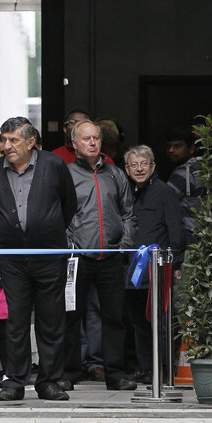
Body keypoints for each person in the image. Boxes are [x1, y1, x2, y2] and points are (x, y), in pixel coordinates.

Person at [0, 116, 76, 401]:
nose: (6, 145)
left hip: (49, 254)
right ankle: (15, 381)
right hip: (12, 256)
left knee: (51, 319)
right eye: (4, 139)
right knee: (16, 320)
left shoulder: (53, 164)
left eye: (13, 140)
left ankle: (49, 381)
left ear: (31, 142)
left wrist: (47, 228)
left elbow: (68, 204)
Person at [64, 120, 138, 391]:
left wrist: (125, 243)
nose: (93, 142)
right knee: (71, 316)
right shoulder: (66, 174)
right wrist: (68, 245)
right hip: (79, 256)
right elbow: (57, 215)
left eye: (96, 138)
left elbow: (128, 213)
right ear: (74, 144)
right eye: (86, 139)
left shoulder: (115, 174)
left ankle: (115, 374)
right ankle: (69, 373)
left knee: (114, 317)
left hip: (111, 255)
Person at [123, 145, 184, 384]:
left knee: (160, 322)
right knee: (138, 322)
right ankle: (147, 367)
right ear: (126, 169)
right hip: (130, 270)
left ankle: (164, 369)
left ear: (153, 166)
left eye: (144, 164)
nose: (139, 169)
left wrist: (176, 263)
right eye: (134, 164)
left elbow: (176, 230)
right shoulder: (126, 192)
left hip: (157, 270)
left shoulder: (164, 192)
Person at [166, 126, 203, 246]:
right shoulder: (204, 168)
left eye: (177, 146)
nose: (171, 150)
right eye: (170, 146)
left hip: (190, 239)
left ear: (191, 148)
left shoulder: (184, 173)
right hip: (203, 236)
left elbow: (164, 201)